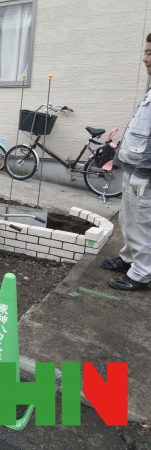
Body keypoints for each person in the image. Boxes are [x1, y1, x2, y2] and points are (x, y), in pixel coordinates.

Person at [101, 33, 151, 291]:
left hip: (145, 175)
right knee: (128, 218)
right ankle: (129, 258)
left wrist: (144, 172)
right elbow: (137, 128)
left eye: (150, 53)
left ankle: (142, 274)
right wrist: (118, 156)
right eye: (146, 51)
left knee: (142, 222)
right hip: (134, 169)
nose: (145, 58)